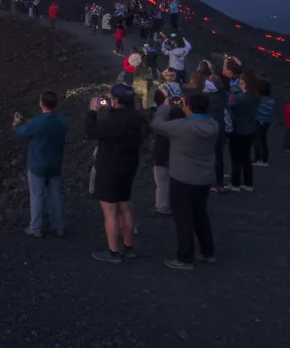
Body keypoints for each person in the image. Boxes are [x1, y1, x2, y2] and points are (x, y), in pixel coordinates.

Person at [152, 91, 218, 270]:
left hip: (182, 178)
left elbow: (157, 125)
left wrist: (165, 106)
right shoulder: (213, 125)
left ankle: (185, 258)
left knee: (183, 218)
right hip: (203, 179)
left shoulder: (181, 127)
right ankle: (207, 251)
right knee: (200, 215)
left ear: (187, 106)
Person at [86, 83, 145, 263]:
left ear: (117, 100)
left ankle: (113, 251)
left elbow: (91, 131)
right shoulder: (137, 118)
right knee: (125, 206)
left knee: (110, 211)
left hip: (110, 167)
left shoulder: (113, 121)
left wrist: (92, 112)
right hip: (129, 166)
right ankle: (128, 246)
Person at [13, 90, 67, 237]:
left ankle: (36, 227)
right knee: (55, 195)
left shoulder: (37, 122)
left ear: (42, 103)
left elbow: (21, 133)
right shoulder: (62, 122)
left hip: (37, 165)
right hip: (55, 164)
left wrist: (17, 125)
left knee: (37, 195)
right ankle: (58, 226)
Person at [150, 73, 184, 216]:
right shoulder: (180, 114)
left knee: (162, 181)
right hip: (177, 151)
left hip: (162, 152)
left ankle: (163, 206)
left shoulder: (160, 117)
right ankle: (177, 204)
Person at [228, 71, 260, 190]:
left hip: (238, 130)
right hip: (250, 130)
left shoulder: (239, 98)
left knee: (235, 158)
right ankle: (248, 183)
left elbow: (230, 108)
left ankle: (235, 183)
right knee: (246, 157)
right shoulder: (256, 97)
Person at [254, 79, 274, 167]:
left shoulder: (259, 100)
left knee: (257, 140)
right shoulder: (270, 100)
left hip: (259, 120)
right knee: (263, 140)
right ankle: (265, 158)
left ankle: (258, 158)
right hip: (267, 121)